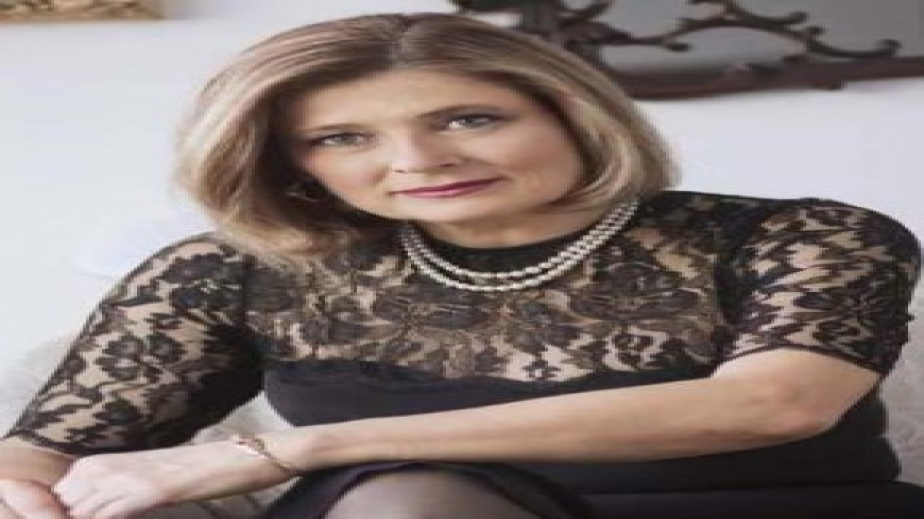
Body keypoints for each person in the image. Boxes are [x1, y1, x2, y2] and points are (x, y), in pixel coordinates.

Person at [1, 11, 922, 519]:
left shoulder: (807, 234)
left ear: (575, 115)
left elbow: (774, 404)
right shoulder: (236, 271)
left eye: (469, 118)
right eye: (343, 137)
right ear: (292, 161)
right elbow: (48, 447)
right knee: (406, 505)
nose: (418, 161)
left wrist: (297, 448)